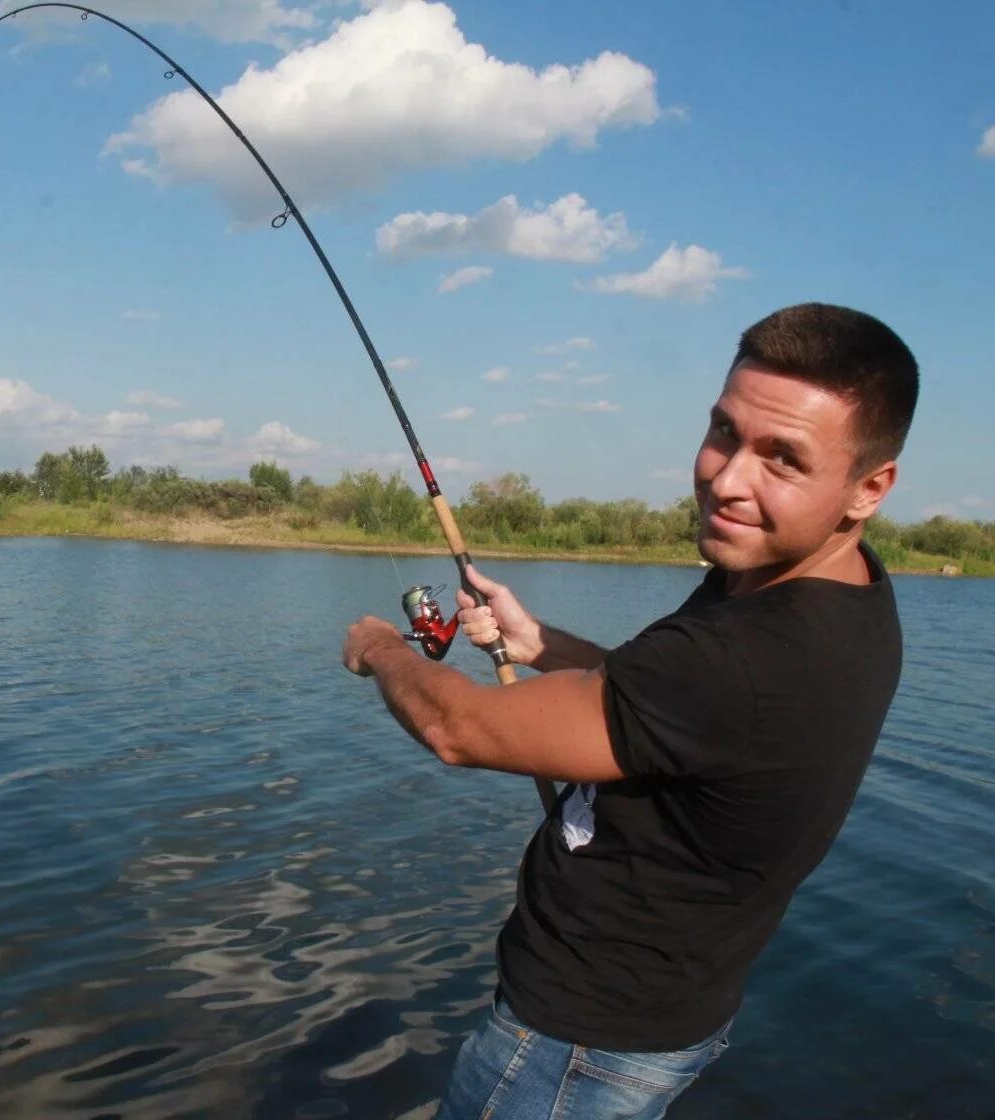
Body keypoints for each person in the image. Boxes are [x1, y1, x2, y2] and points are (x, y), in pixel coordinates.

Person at [341, 303, 918, 1119]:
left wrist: (378, 648)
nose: (727, 479)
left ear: (869, 488)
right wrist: (537, 642)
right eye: (725, 431)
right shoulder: (823, 583)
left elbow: (455, 730)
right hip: (665, 1013)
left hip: (573, 1049)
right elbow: (661, 704)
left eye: (782, 459)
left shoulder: (750, 656)